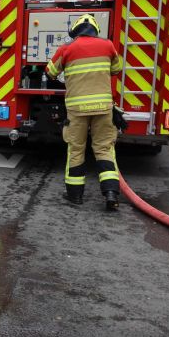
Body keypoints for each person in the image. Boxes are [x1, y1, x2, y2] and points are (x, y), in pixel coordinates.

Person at [46, 14, 123, 210]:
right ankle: (111, 193)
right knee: (104, 149)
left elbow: (50, 72)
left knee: (76, 150)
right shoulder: (108, 46)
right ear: (95, 30)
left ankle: (75, 196)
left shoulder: (67, 48)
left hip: (76, 110)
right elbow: (117, 69)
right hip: (103, 108)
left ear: (76, 31)